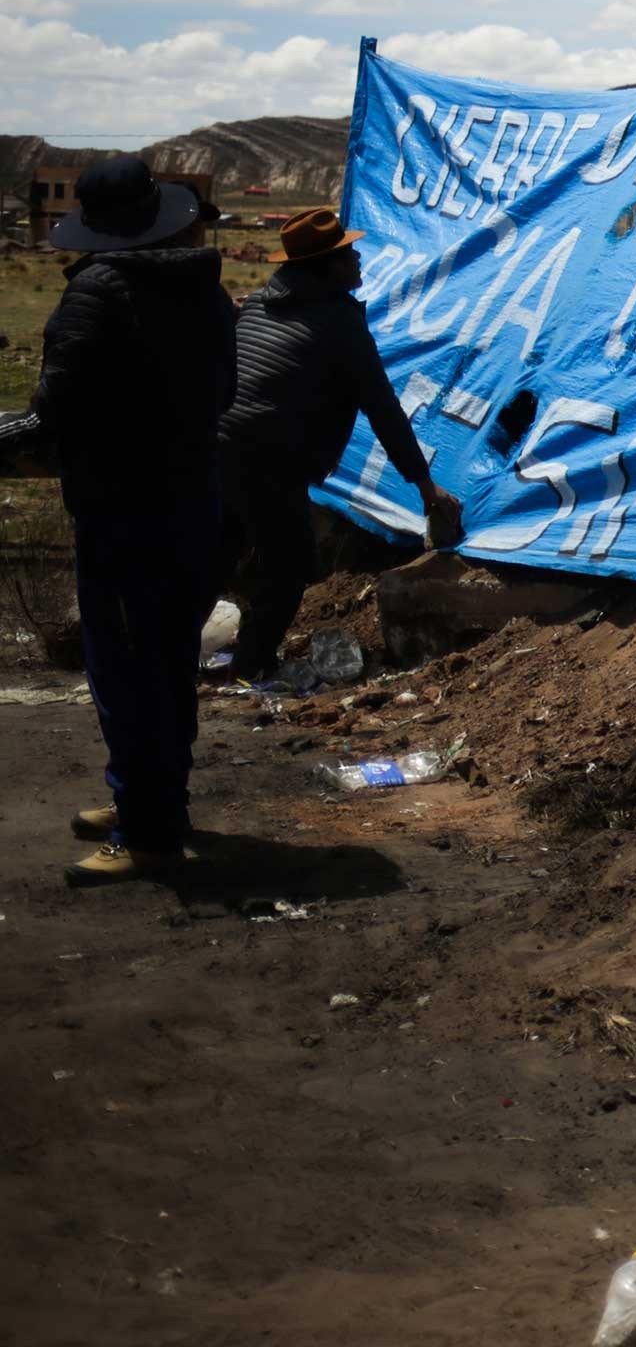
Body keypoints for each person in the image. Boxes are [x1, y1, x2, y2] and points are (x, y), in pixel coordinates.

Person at [31, 155, 235, 885]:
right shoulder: (206, 289)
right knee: (168, 664)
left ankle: (146, 833)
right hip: (193, 499)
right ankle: (148, 804)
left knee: (125, 671)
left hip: (123, 509)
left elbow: (56, 408)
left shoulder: (96, 293)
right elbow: (223, 389)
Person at [217, 208, 464, 684]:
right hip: (271, 457)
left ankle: (164, 658)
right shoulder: (337, 323)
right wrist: (425, 486)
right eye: (348, 254)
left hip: (217, 446)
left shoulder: (260, 305)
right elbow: (384, 410)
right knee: (290, 566)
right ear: (326, 267)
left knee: (217, 554)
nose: (357, 261)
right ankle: (252, 666)